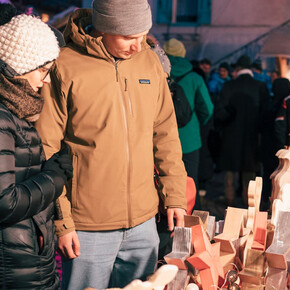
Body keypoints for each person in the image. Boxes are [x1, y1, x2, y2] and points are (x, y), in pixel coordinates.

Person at [35, 1, 187, 289]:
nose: (138, 46)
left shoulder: (149, 61)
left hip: (144, 224)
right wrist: (62, 222)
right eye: (129, 37)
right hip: (87, 228)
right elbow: (47, 149)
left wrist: (175, 195)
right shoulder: (64, 65)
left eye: (143, 36)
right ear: (104, 28)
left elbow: (165, 133)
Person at [0, 4, 73, 289]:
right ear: (18, 66)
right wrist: (54, 176)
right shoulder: (4, 117)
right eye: (42, 70)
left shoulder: (18, 110)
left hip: (25, 254)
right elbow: (5, 202)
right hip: (13, 264)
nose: (44, 81)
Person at [163, 38, 213, 210]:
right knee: (191, 181)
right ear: (183, 54)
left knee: (162, 181)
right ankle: (192, 223)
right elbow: (207, 108)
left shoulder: (157, 73)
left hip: (160, 139)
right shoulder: (195, 77)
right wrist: (196, 125)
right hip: (189, 139)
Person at [215, 54, 270, 207]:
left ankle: (229, 199)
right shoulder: (260, 86)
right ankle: (250, 203)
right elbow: (265, 114)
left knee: (230, 172)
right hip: (252, 136)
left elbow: (220, 113)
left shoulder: (228, 86)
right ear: (250, 68)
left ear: (237, 69)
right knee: (249, 172)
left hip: (231, 135)